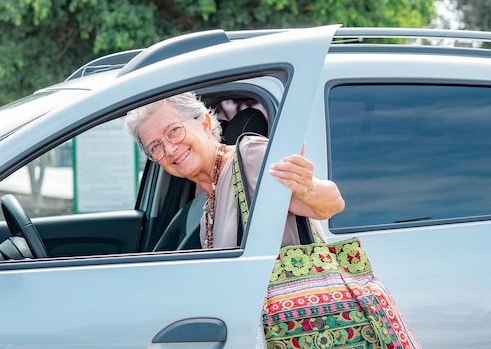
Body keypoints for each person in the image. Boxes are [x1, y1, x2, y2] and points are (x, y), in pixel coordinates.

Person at [125, 91, 344, 249]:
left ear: (204, 123)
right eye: (156, 146)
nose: (170, 149)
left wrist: (309, 188)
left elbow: (332, 205)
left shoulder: (251, 157)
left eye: (174, 130)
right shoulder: (208, 203)